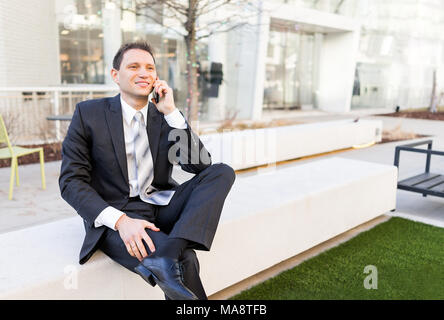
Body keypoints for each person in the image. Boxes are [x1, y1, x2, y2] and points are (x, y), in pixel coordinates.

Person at [59, 41, 236, 300]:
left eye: (150, 68)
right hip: (118, 214)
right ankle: (171, 252)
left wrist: (172, 113)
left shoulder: (164, 116)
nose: (144, 73)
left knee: (221, 172)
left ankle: (169, 250)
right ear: (115, 75)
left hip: (162, 206)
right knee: (184, 260)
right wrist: (121, 222)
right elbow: (71, 182)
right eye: (134, 66)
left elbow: (199, 165)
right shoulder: (89, 113)